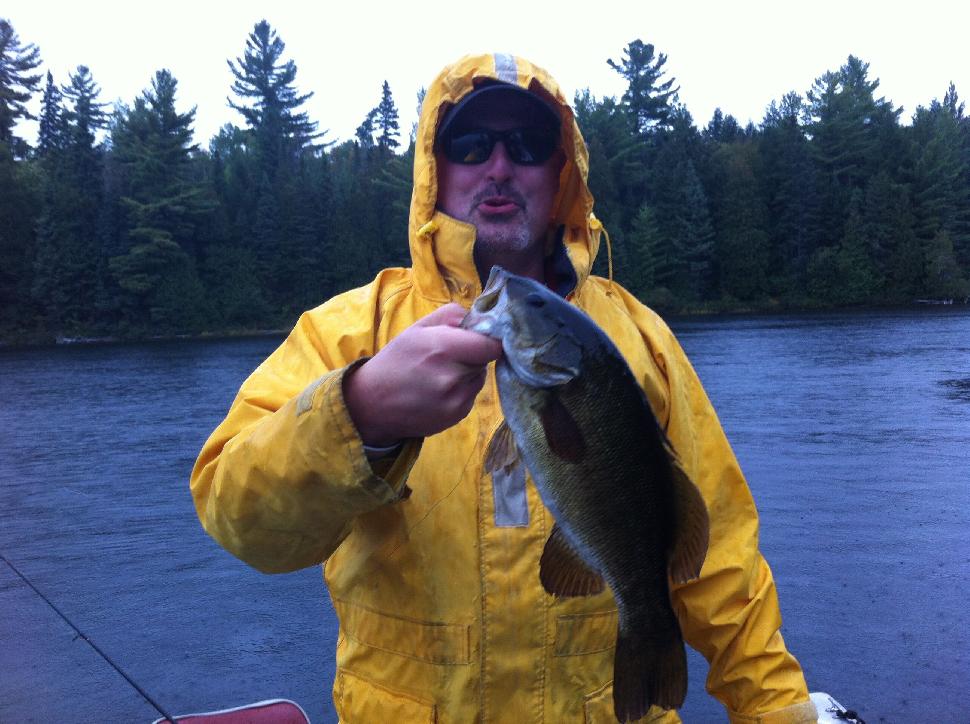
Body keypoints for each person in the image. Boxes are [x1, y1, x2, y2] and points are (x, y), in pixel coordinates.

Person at [191, 53, 818, 723]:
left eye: (527, 145)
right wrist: (362, 411)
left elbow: (722, 561)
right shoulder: (350, 334)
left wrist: (777, 711)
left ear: (561, 173)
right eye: (469, 144)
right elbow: (241, 521)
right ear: (436, 169)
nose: (497, 166)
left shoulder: (642, 340)